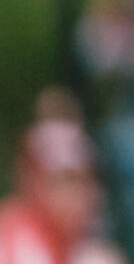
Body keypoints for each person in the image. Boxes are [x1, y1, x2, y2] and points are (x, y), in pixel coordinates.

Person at [0, 108, 100, 264]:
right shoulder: (18, 241)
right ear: (31, 180)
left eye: (86, 179)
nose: (80, 193)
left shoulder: (77, 243)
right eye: (66, 180)